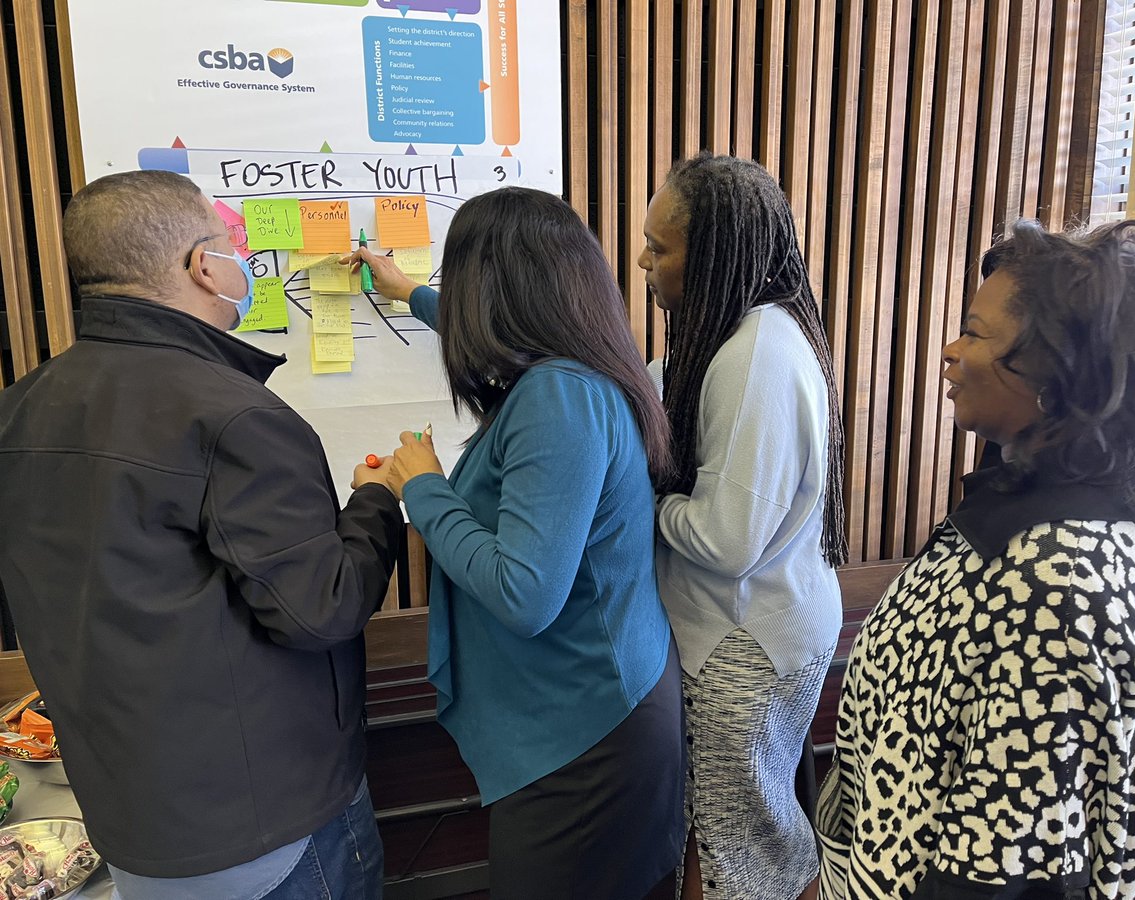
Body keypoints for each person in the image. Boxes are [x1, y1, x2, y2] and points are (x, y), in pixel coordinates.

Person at [0, 170, 406, 899]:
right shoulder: (235, 416)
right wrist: (376, 500)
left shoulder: (19, 408)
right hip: (268, 826)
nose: (239, 260)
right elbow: (324, 608)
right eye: (231, 243)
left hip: (129, 818)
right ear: (202, 265)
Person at [816, 219, 1135, 899]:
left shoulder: (1054, 582)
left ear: (1053, 377)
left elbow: (1003, 869)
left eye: (975, 333)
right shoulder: (1103, 521)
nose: (950, 351)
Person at [348, 187, 686, 899]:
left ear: (489, 288)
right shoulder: (568, 371)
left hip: (592, 737)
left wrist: (424, 487)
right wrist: (408, 290)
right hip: (585, 716)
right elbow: (488, 337)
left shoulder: (557, 397)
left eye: (459, 278)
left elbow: (524, 592)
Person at [637, 152, 847, 900]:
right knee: (752, 835)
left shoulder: (756, 353)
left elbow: (728, 541)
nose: (643, 261)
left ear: (715, 252)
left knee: (730, 851)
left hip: (745, 640)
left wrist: (645, 502)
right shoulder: (729, 336)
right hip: (757, 624)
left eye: (659, 248)